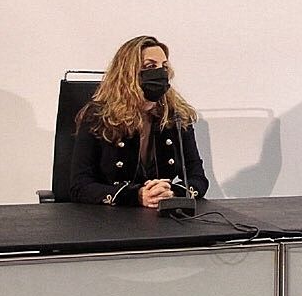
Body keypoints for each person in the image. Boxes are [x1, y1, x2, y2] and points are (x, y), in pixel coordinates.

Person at [70, 35, 210, 207]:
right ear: (129, 74)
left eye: (164, 67)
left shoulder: (176, 115)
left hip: (163, 218)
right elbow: (80, 186)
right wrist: (136, 196)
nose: (160, 73)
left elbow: (198, 177)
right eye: (150, 66)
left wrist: (171, 192)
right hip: (111, 219)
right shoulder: (98, 117)